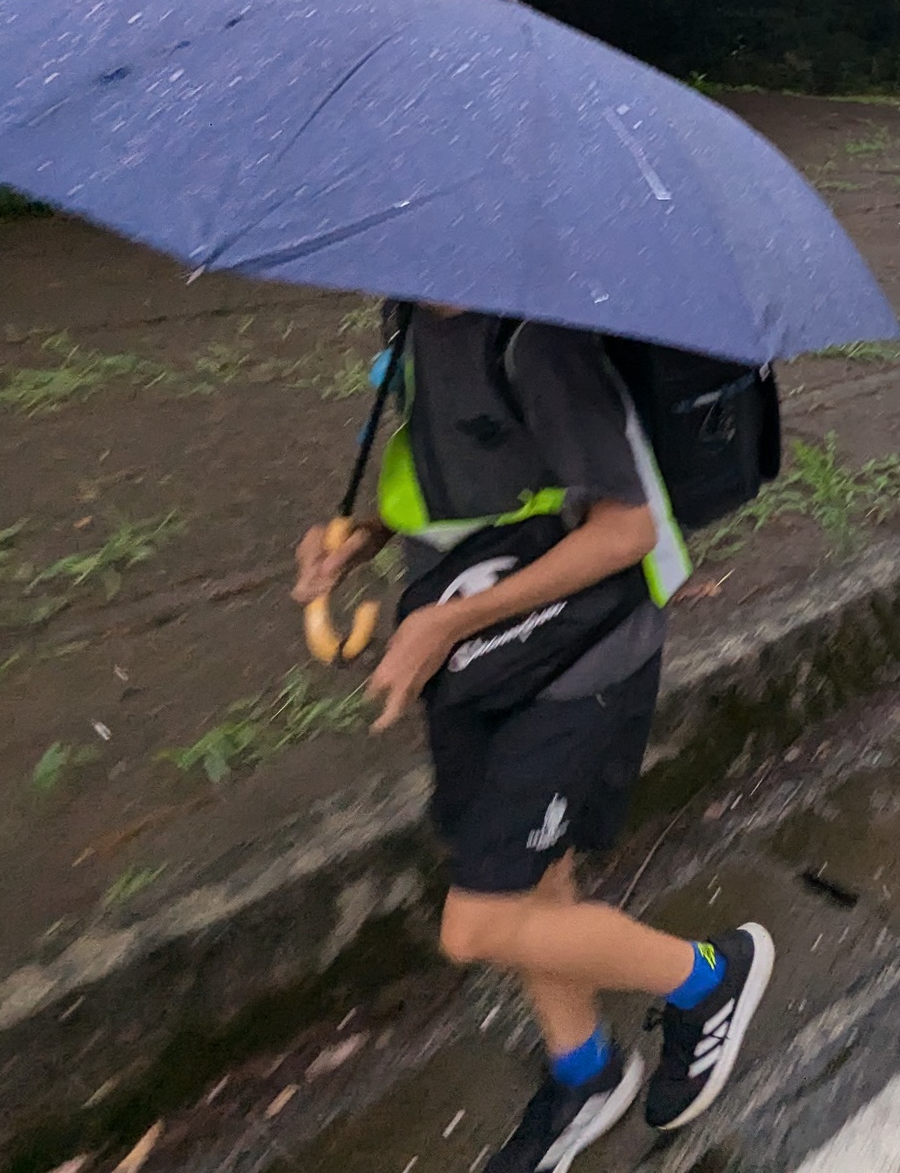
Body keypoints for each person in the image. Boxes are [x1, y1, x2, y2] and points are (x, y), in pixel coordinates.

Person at [291, 305, 770, 1173]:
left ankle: (709, 977)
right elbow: (469, 468)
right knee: (536, 886)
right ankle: (585, 1073)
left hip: (578, 657)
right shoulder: (410, 316)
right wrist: (362, 540)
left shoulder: (539, 345)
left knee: (476, 924)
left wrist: (446, 623)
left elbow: (626, 530)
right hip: (480, 650)